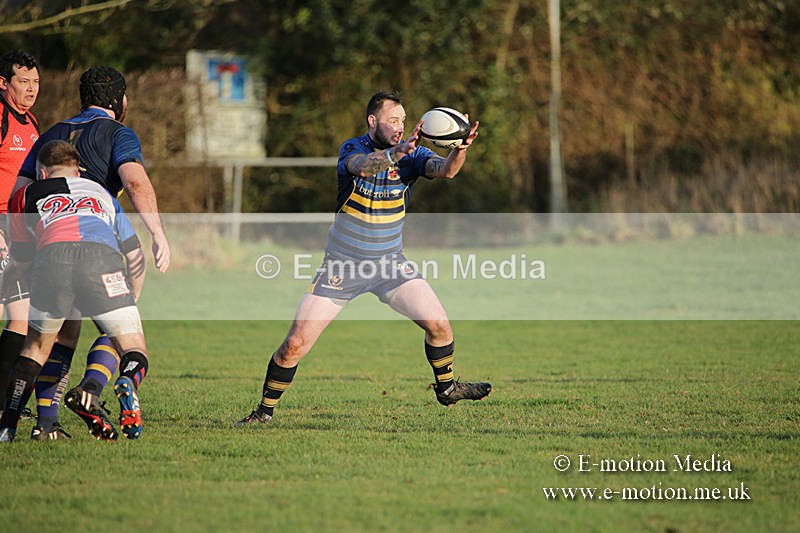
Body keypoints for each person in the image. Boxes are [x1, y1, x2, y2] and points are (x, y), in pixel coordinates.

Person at [237, 91, 491, 425]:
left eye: (403, 120)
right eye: (392, 120)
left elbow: (445, 171)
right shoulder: (353, 148)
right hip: (342, 266)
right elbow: (364, 167)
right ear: (373, 121)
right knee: (295, 344)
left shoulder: (414, 154)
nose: (400, 126)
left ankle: (447, 389)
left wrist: (460, 149)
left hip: (390, 265)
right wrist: (398, 152)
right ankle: (263, 413)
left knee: (440, 326)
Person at [1, 65, 169, 440]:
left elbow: (19, 193)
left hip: (50, 250)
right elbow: (135, 181)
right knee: (123, 334)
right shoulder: (117, 134)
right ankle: (96, 387)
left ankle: (38, 424)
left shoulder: (49, 135)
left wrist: (18, 261)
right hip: (100, 248)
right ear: (119, 100)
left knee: (51, 339)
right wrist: (158, 233)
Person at [0, 140, 147, 443]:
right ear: (78, 171)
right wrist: (131, 297)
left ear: (42, 173)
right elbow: (135, 254)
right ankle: (127, 381)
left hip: (52, 259)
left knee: (38, 348)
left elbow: (22, 260)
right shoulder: (101, 192)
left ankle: (9, 428)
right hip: (101, 258)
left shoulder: (25, 195)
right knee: (133, 347)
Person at [0, 50, 40, 415]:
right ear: (3, 83)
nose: (31, 89)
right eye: (23, 81)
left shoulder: (31, 123)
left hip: (18, 230)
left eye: (36, 82)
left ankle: (3, 399)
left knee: (21, 316)